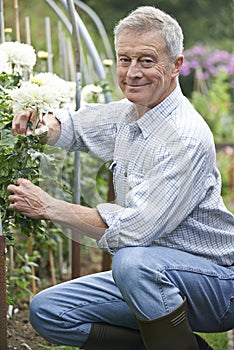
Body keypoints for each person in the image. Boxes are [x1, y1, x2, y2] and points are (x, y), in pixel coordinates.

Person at [7, 6, 234, 350]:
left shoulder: (183, 137)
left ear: (176, 65)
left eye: (146, 60)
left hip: (216, 283)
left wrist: (50, 207)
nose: (132, 72)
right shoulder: (132, 113)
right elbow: (76, 126)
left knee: (130, 260)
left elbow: (135, 230)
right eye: (124, 60)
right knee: (49, 311)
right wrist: (43, 125)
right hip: (152, 276)